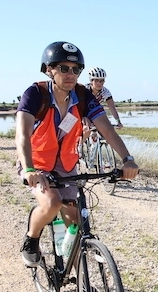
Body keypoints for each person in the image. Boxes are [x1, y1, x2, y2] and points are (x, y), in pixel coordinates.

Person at [16, 41, 139, 266]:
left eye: (75, 69)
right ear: (48, 70)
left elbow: (107, 129)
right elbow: (22, 135)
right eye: (64, 68)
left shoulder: (82, 96)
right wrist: (28, 169)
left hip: (67, 163)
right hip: (37, 162)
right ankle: (31, 240)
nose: (71, 74)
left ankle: (79, 277)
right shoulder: (36, 94)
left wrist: (127, 159)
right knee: (52, 203)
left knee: (76, 223)